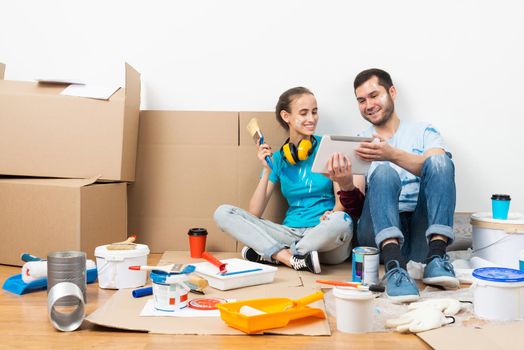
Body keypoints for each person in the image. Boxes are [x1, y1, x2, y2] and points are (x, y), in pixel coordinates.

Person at [214, 87, 361, 274]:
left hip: (325, 235)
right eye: (304, 113)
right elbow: (254, 212)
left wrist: (332, 214)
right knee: (223, 213)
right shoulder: (277, 159)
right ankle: (293, 259)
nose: (312, 118)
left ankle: (274, 253)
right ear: (286, 116)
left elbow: (342, 202)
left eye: (314, 112)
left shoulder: (328, 147)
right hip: (289, 232)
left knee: (342, 220)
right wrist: (267, 170)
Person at [351, 68, 458, 302]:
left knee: (439, 161)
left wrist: (391, 154)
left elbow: (437, 169)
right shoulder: (359, 142)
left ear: (392, 92)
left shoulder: (424, 131)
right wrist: (342, 180)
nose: (368, 104)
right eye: (361, 100)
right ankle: (393, 267)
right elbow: (358, 206)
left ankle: (436, 258)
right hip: (378, 234)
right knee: (384, 173)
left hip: (421, 233)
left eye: (374, 95)